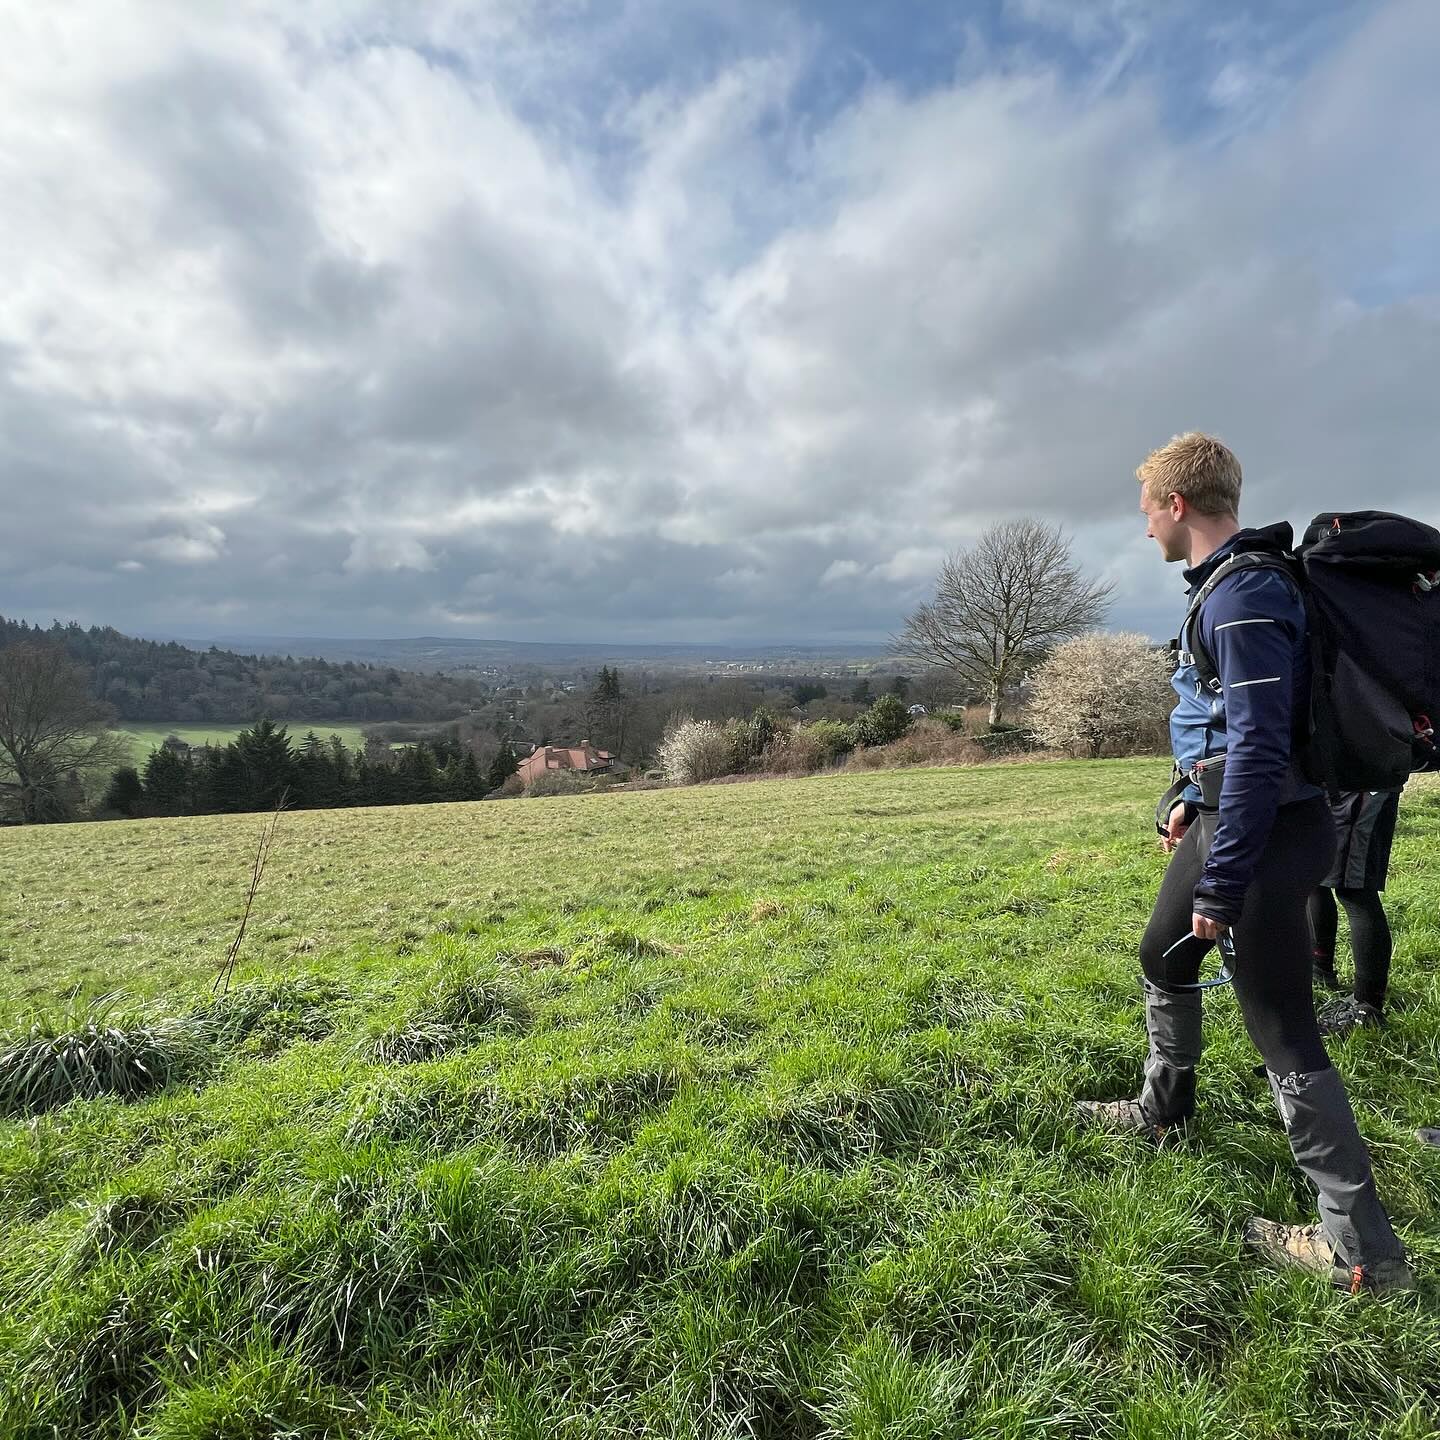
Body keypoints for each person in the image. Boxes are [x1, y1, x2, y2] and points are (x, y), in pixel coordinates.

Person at [1077, 431, 1413, 1294]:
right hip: (1230, 818)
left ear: (1177, 505)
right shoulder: (1235, 587)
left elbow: (1265, 750)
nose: (1144, 522)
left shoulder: (1246, 595)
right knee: (1162, 954)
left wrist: (1223, 880)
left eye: (1148, 507)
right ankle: (1163, 1114)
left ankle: (1365, 1255)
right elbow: (1237, 733)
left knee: (1285, 1034)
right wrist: (1191, 795)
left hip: (1260, 838)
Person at [1308, 787, 1403, 1033]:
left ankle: (1367, 1004)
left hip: (1362, 782)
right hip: (1333, 780)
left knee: (1354, 891)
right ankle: (1320, 969)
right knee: (1314, 876)